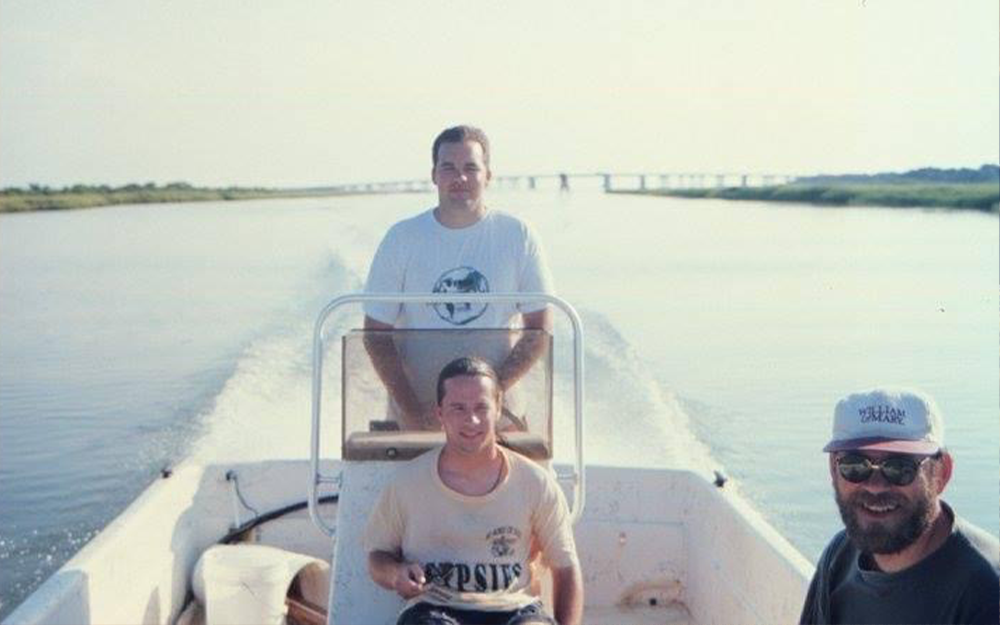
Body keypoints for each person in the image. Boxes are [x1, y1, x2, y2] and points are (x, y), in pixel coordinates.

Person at [364, 357, 583, 625]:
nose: (472, 419)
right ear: (440, 413)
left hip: (516, 610)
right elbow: (377, 556)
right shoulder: (407, 482)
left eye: (482, 407)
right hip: (433, 609)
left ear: (498, 409)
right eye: (458, 408)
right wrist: (396, 573)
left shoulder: (536, 482)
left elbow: (566, 567)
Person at [363, 125, 553, 430]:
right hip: (419, 410)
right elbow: (375, 334)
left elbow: (539, 330)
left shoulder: (518, 236)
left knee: (535, 479)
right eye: (448, 167)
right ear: (434, 175)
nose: (460, 178)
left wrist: (492, 393)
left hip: (498, 412)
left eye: (471, 168)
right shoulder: (401, 238)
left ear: (488, 175)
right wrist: (411, 408)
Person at [799, 388, 999, 625]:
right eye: (855, 466)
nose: (875, 487)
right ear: (833, 470)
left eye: (900, 468)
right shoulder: (839, 556)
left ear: (941, 473)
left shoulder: (987, 593)